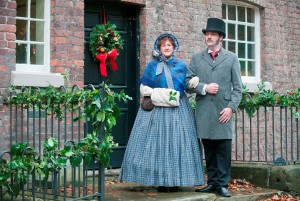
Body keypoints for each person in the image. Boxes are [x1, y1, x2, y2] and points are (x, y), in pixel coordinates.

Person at [119, 33, 205, 192]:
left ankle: (175, 181)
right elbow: (144, 87)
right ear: (159, 48)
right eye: (164, 45)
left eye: (169, 45)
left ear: (174, 48)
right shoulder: (153, 65)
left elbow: (186, 84)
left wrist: (193, 82)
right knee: (157, 144)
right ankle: (160, 181)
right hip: (156, 109)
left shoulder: (180, 65)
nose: (166, 47)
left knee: (177, 143)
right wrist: (155, 92)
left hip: (178, 109)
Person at [185, 18, 242, 197]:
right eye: (207, 34)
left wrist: (231, 108)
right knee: (209, 149)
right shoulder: (196, 57)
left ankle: (223, 184)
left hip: (222, 110)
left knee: (223, 149)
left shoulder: (231, 58)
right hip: (204, 111)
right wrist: (204, 87)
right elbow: (187, 83)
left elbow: (238, 88)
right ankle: (212, 182)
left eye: (213, 34)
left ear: (220, 38)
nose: (209, 37)